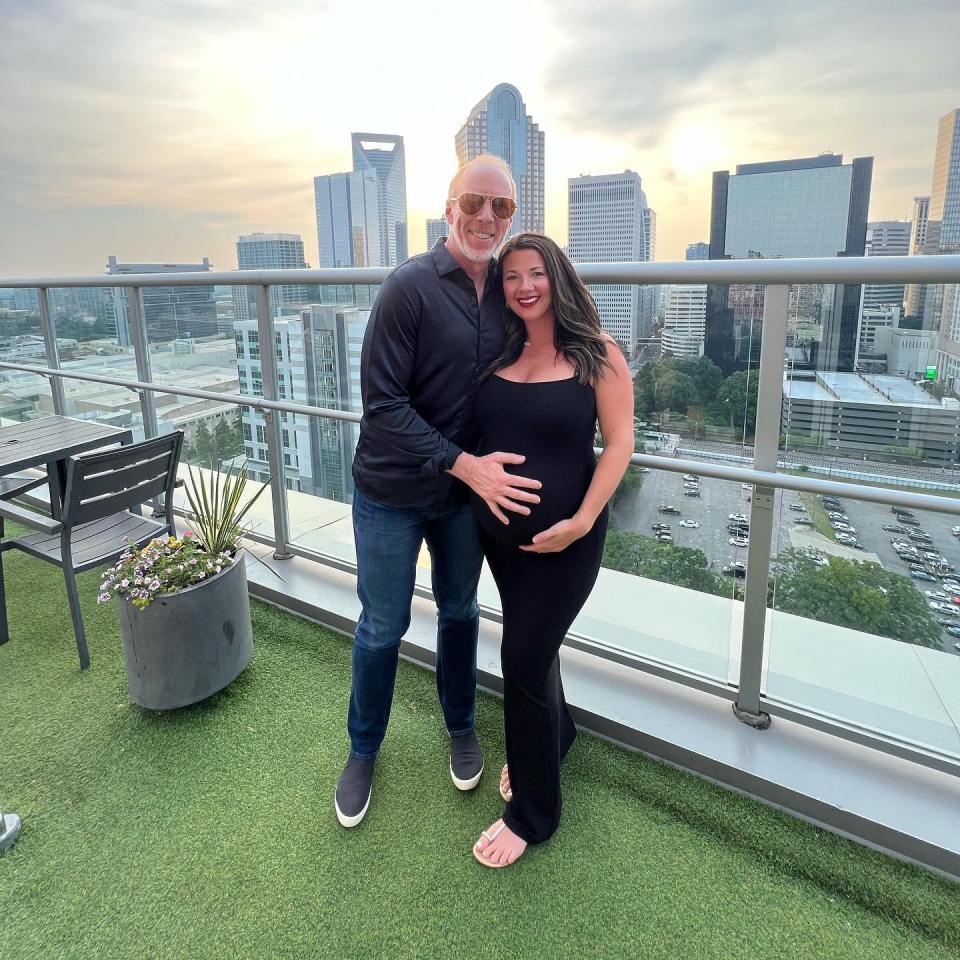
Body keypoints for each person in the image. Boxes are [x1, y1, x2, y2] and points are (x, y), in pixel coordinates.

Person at [335, 156, 543, 827]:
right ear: (450, 205)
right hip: (393, 490)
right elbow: (383, 406)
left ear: (513, 218)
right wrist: (466, 465)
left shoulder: (511, 295)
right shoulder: (410, 288)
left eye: (502, 208)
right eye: (475, 203)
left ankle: (460, 725)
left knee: (460, 610)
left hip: (460, 497)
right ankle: (363, 749)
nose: (487, 218)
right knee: (383, 626)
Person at [470, 233, 634, 867]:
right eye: (511, 277)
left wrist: (581, 520)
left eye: (536, 273)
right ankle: (556, 734)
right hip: (503, 545)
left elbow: (619, 444)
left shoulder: (597, 355)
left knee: (522, 655)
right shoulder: (502, 350)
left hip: (568, 542)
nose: (524, 286)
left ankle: (534, 814)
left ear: (557, 278)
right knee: (535, 651)